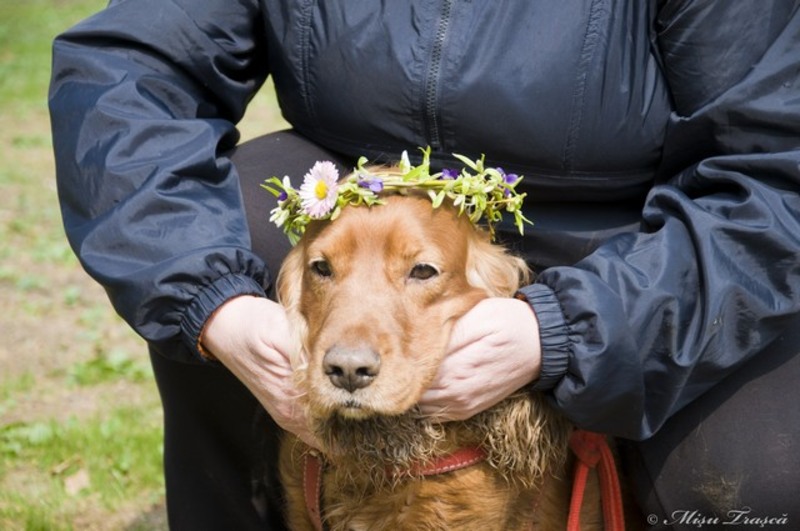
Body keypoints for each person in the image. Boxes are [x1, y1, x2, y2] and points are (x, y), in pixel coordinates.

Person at [50, 1, 800, 529]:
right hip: (358, 199)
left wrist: (570, 329)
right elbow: (125, 71)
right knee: (228, 219)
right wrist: (213, 300)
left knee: (757, 481)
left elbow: (775, 173)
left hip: (633, 239)